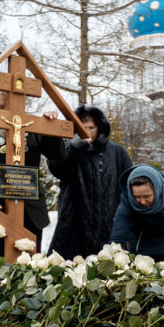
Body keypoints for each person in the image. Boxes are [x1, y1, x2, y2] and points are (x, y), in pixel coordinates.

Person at [0, 90, 65, 281]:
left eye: (12, 107)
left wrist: (50, 127)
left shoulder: (33, 126)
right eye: (1, 107)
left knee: (29, 280)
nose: (7, 114)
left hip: (30, 215)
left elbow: (57, 155)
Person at [47, 105, 132, 259]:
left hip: (109, 224)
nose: (87, 131)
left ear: (100, 127)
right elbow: (56, 168)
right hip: (74, 225)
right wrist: (76, 148)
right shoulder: (68, 149)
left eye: (91, 127)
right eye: (82, 127)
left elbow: (128, 187)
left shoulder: (117, 152)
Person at [109, 165, 164, 262]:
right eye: (137, 197)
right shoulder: (128, 198)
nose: (142, 202)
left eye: (147, 196)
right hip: (140, 245)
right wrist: (116, 258)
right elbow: (119, 232)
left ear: (157, 189)